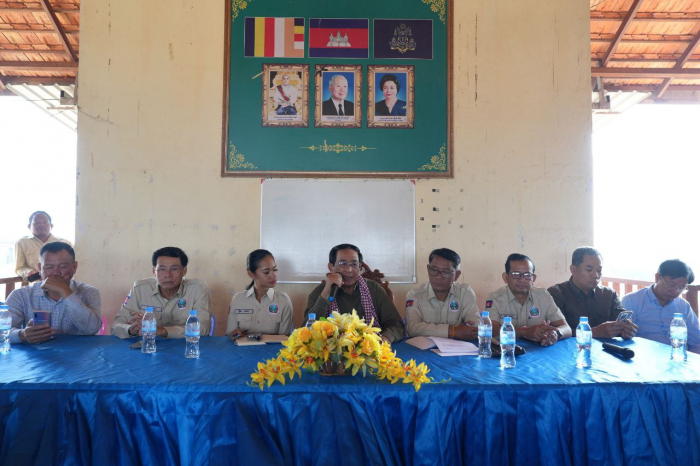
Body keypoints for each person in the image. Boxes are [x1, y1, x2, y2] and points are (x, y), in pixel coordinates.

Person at [305, 244, 404, 343]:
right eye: (342, 263)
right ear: (331, 267)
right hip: (332, 349)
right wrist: (325, 294)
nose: (349, 269)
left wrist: (384, 339)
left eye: (354, 264)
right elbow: (306, 331)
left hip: (369, 347)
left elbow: (396, 324)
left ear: (360, 267)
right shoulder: (321, 291)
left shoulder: (374, 289)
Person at [5, 242, 101, 344]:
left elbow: (91, 329)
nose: (55, 272)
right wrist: (22, 334)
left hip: (78, 352)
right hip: (35, 353)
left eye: (63, 266)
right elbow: (2, 331)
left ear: (74, 267)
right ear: (40, 268)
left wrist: (64, 290)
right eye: (49, 267)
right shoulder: (21, 295)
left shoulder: (89, 292)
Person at [111, 247, 211, 339]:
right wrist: (130, 330)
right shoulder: (140, 289)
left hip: (186, 347)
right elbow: (116, 326)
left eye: (174, 269)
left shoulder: (197, 288)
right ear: (154, 271)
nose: (168, 275)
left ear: (184, 271)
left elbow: (203, 328)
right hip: (148, 346)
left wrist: (163, 331)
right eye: (162, 269)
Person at [548, 247, 637, 339]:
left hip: (606, 347)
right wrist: (593, 332)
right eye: (589, 270)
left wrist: (626, 330)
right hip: (571, 347)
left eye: (599, 270)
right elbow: (554, 332)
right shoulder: (556, 294)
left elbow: (620, 324)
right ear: (573, 269)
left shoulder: (609, 294)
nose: (595, 275)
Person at [486, 253, 572, 346]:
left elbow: (567, 328)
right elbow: (491, 330)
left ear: (533, 278)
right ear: (506, 278)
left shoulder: (543, 296)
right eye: (516, 274)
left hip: (538, 350)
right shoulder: (495, 298)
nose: (522, 279)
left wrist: (556, 333)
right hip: (507, 349)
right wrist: (524, 331)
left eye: (527, 275)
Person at [621, 259, 700, 353]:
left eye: (682, 287)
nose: (676, 291)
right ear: (657, 277)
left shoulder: (683, 306)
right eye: (672, 285)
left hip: (678, 356)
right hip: (644, 356)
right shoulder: (632, 301)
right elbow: (622, 336)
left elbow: (696, 340)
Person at [405, 248, 479, 340]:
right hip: (424, 347)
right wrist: (453, 331)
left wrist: (468, 328)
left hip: (457, 346)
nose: (438, 277)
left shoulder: (465, 293)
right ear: (428, 269)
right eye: (434, 270)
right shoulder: (414, 295)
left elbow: (475, 325)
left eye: (446, 272)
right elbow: (413, 328)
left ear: (457, 275)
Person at [227, 249, 293, 340]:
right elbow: (230, 335)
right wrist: (234, 334)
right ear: (251, 274)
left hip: (273, 349)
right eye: (266, 272)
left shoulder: (283, 300)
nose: (273, 275)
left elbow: (285, 339)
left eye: (275, 269)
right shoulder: (238, 299)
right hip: (243, 348)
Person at [14, 211, 72, 282]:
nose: (41, 225)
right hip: (36, 285)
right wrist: (28, 272)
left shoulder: (65, 243)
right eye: (37, 222)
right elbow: (20, 267)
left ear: (51, 226)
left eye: (45, 222)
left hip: (62, 284)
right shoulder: (22, 242)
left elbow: (71, 266)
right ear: (29, 226)